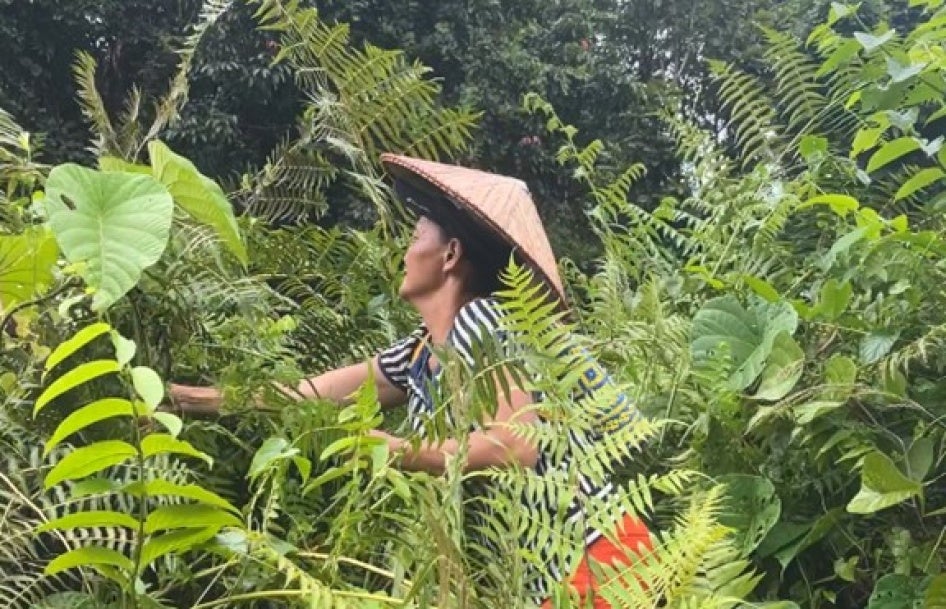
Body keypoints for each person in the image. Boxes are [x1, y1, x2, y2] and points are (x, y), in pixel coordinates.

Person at [169, 153, 650, 608]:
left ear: (450, 255)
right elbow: (306, 395)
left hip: (596, 562)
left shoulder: (483, 320)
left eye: (416, 237)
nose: (404, 251)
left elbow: (515, 446)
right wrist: (183, 400)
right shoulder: (420, 353)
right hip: (564, 573)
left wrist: (399, 451)